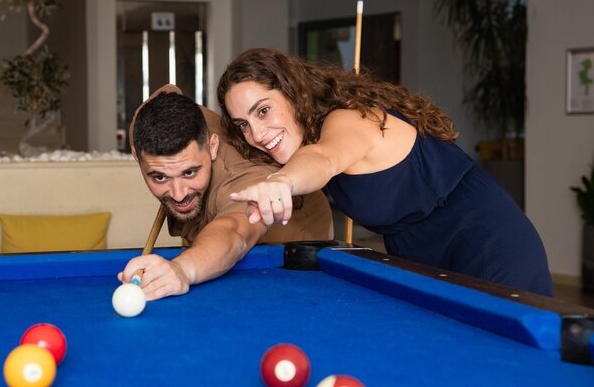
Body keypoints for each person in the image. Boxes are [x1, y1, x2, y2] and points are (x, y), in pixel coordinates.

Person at [217, 48, 553, 296]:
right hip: (424, 255)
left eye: (263, 111)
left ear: (293, 92)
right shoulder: (313, 132)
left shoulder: (346, 120)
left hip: (485, 242)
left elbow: (323, 158)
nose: (256, 134)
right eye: (243, 124)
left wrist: (282, 181)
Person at [118, 84, 334, 300]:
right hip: (211, 248)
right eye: (160, 177)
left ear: (212, 147)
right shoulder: (148, 123)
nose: (178, 194)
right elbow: (170, 89)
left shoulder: (244, 182)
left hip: (295, 246)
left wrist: (182, 269)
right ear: (136, 155)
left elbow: (234, 232)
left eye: (190, 172)